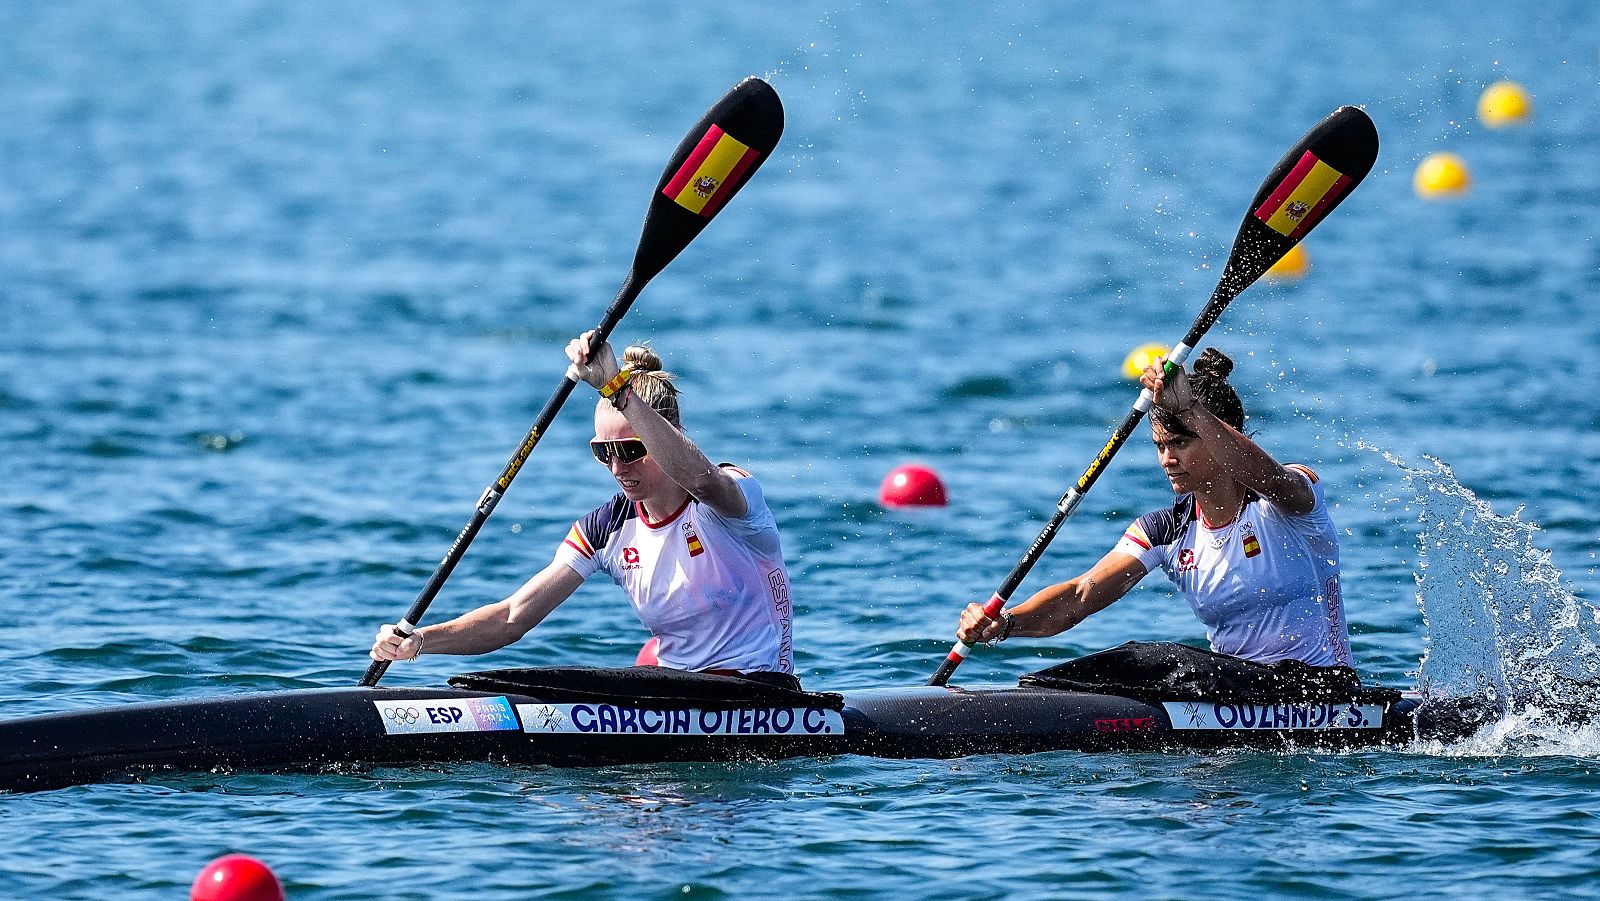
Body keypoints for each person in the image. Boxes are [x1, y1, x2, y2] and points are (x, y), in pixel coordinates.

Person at [372, 330, 799, 688]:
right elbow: (512, 617)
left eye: (631, 450)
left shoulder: (731, 499)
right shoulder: (607, 528)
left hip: (761, 691)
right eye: (603, 452)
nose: (617, 467)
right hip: (677, 695)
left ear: (669, 435)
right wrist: (420, 641)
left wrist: (617, 388)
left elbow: (702, 479)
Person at [957, 348, 1352, 689]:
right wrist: (1004, 624)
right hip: (1234, 689)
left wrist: (1193, 411)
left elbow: (1269, 477)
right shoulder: (1165, 531)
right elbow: (1080, 597)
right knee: (1127, 663)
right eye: (1160, 445)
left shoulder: (1287, 501)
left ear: (1219, 434)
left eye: (1180, 443)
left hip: (1322, 689)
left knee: (1158, 659)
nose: (1167, 460)